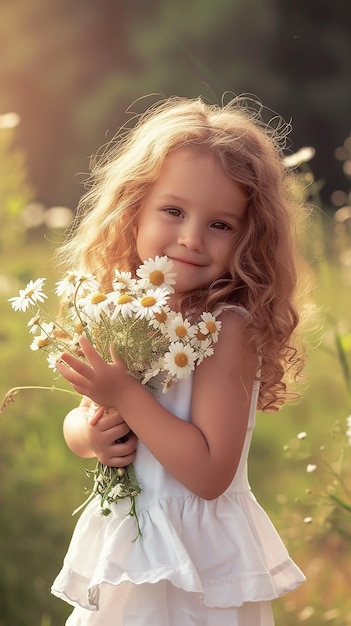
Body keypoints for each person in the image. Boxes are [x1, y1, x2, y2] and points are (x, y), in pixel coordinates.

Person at [51, 95, 309, 625]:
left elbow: (210, 473)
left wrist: (124, 394)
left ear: (250, 235)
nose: (191, 238)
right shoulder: (122, 309)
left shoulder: (228, 327)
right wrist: (87, 433)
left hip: (197, 570)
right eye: (173, 211)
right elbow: (84, 416)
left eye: (221, 224)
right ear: (133, 211)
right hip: (132, 551)